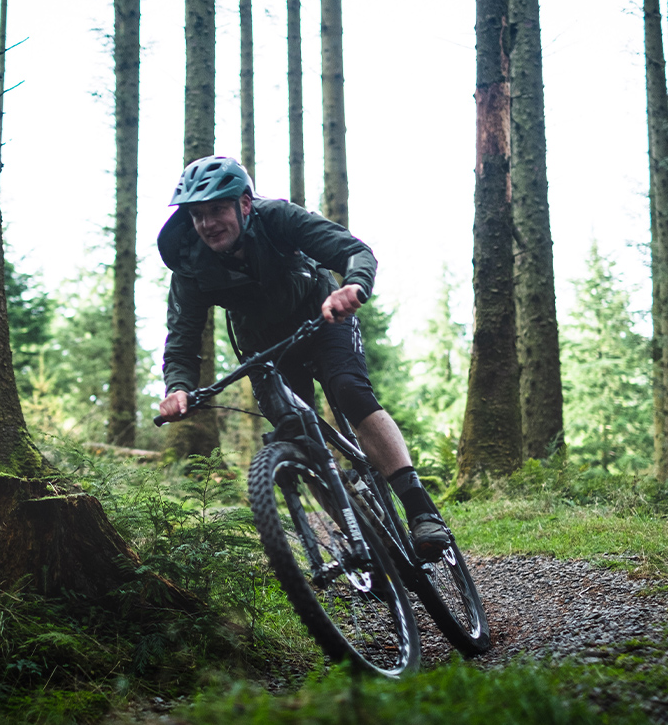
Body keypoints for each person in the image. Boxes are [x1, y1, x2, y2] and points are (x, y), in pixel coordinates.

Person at [156, 155, 452, 561]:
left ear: (244, 204)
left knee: (349, 391)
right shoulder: (190, 263)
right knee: (299, 439)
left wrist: (352, 287)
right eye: (197, 215)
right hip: (265, 350)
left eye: (218, 210)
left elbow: (354, 252)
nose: (208, 224)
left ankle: (421, 511)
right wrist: (178, 387)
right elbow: (183, 339)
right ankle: (370, 545)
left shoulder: (278, 217)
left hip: (323, 318)